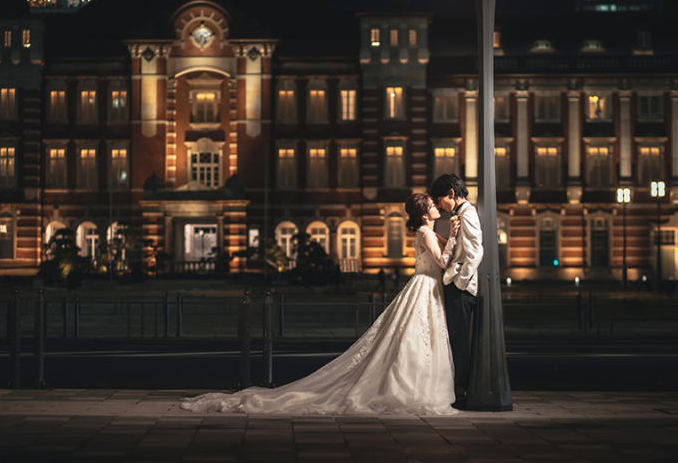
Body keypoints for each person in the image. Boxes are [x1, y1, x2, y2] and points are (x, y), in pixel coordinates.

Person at [180, 194, 461, 415]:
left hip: (424, 288)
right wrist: (453, 233)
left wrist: (454, 235)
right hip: (425, 287)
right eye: (433, 205)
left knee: (413, 341)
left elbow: (447, 247)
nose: (438, 207)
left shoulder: (428, 232)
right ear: (425, 213)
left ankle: (410, 384)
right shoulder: (426, 232)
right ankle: (411, 388)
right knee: (415, 341)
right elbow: (444, 261)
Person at [430, 174, 483, 410]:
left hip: (461, 289)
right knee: (456, 341)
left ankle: (461, 392)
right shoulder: (462, 214)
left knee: (459, 343)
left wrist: (459, 282)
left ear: (451, 194)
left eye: (440, 200)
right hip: (458, 285)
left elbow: (475, 252)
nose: (440, 206)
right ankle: (459, 390)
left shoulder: (468, 214)